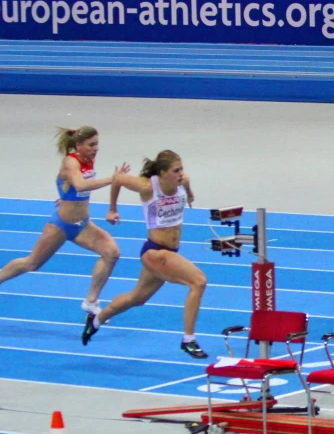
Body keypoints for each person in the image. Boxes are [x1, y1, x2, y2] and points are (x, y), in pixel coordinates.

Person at [81, 150, 209, 358]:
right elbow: (118, 179)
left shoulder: (180, 184)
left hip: (170, 252)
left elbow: (190, 199)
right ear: (162, 172)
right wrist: (112, 209)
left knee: (137, 298)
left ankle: (95, 321)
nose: (181, 173)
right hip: (155, 252)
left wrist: (187, 186)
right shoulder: (148, 187)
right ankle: (189, 340)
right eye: (176, 170)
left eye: (182, 169)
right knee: (198, 282)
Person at [0, 126, 127, 316]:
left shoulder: (89, 159)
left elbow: (74, 187)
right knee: (31, 264)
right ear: (78, 145)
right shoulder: (70, 161)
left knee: (112, 253)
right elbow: (81, 184)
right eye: (91, 144)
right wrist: (113, 178)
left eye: (97, 144)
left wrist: (66, 196)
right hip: (61, 226)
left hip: (83, 225)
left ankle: (91, 301)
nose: (96, 148)